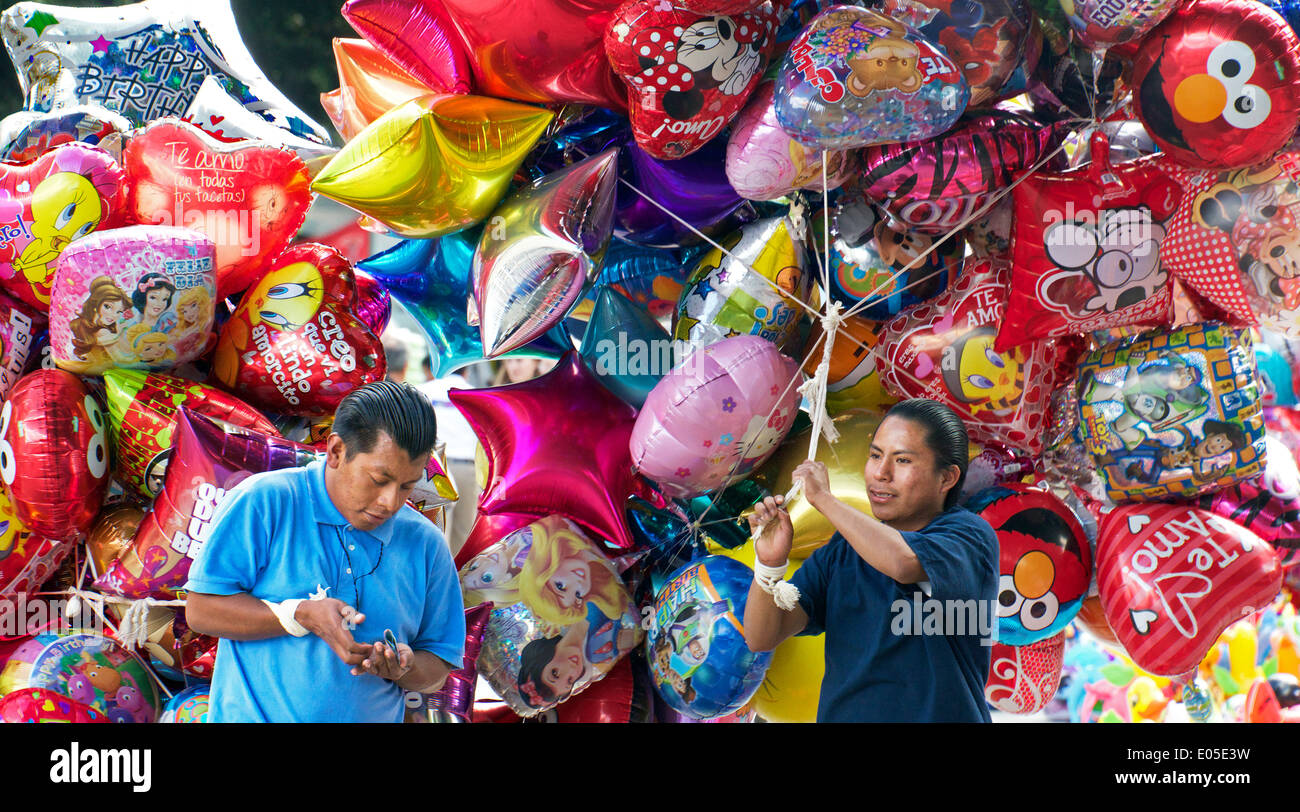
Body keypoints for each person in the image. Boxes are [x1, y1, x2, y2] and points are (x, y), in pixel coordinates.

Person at [184, 381, 467, 722]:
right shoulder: (265, 501)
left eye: (406, 486)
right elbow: (201, 611)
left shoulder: (427, 545)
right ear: (335, 452)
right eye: (379, 479)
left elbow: (437, 668)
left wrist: (402, 667)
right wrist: (297, 615)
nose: (390, 502)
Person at [742, 398, 999, 722]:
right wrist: (768, 564)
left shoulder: (968, 535)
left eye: (902, 460)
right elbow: (761, 636)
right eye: (875, 455)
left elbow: (903, 562)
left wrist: (823, 498)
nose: (881, 473)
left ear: (947, 478)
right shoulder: (841, 552)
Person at [416, 355, 480, 554]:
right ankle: (457, 581)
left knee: (435, 530)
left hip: (433, 466)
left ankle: (434, 579)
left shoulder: (424, 390)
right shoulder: (476, 395)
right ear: (466, 371)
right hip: (466, 467)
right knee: (463, 532)